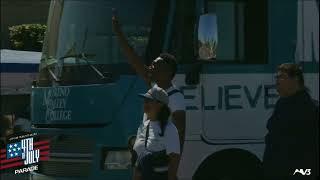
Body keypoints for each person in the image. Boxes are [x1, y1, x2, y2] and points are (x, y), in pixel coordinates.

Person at [112, 12, 186, 153]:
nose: (150, 66)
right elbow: (133, 59)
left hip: (158, 166)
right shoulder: (155, 89)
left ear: (168, 71)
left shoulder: (175, 98)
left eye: (155, 65)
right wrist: (118, 33)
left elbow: (179, 136)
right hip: (145, 162)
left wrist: (172, 171)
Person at [263, 63, 319, 180]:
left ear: (295, 80)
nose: (277, 81)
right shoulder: (282, 103)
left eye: (282, 77)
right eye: (277, 77)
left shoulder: (306, 107)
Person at [134, 86, 180, 180]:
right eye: (145, 100)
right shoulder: (143, 126)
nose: (145, 103)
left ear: (160, 104)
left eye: (149, 100)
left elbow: (174, 160)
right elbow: (138, 160)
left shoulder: (169, 129)